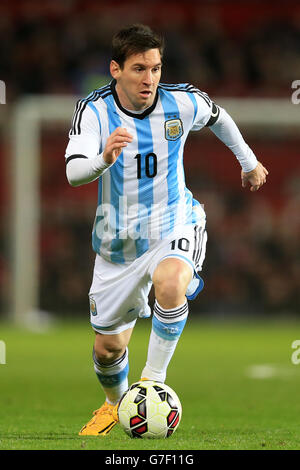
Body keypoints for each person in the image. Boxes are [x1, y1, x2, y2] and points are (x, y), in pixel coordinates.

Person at [65, 24, 268, 436]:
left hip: (174, 220)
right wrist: (103, 158)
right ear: (115, 69)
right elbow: (73, 173)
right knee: (108, 350)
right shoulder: (95, 110)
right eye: (139, 69)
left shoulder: (181, 101)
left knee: (171, 281)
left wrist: (248, 162)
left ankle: (151, 382)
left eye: (156, 68)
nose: (149, 78)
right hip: (118, 242)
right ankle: (113, 404)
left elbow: (219, 116)